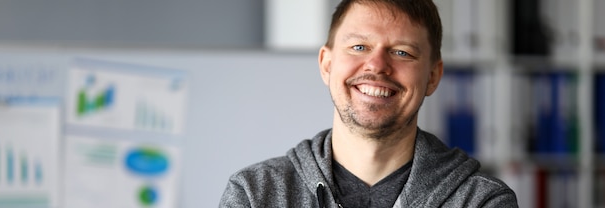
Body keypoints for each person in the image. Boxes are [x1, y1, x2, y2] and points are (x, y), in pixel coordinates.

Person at [219, 0, 518, 207]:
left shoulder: (481, 201)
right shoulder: (255, 195)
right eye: (359, 47)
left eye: (402, 52)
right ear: (326, 63)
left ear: (432, 76)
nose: (376, 66)